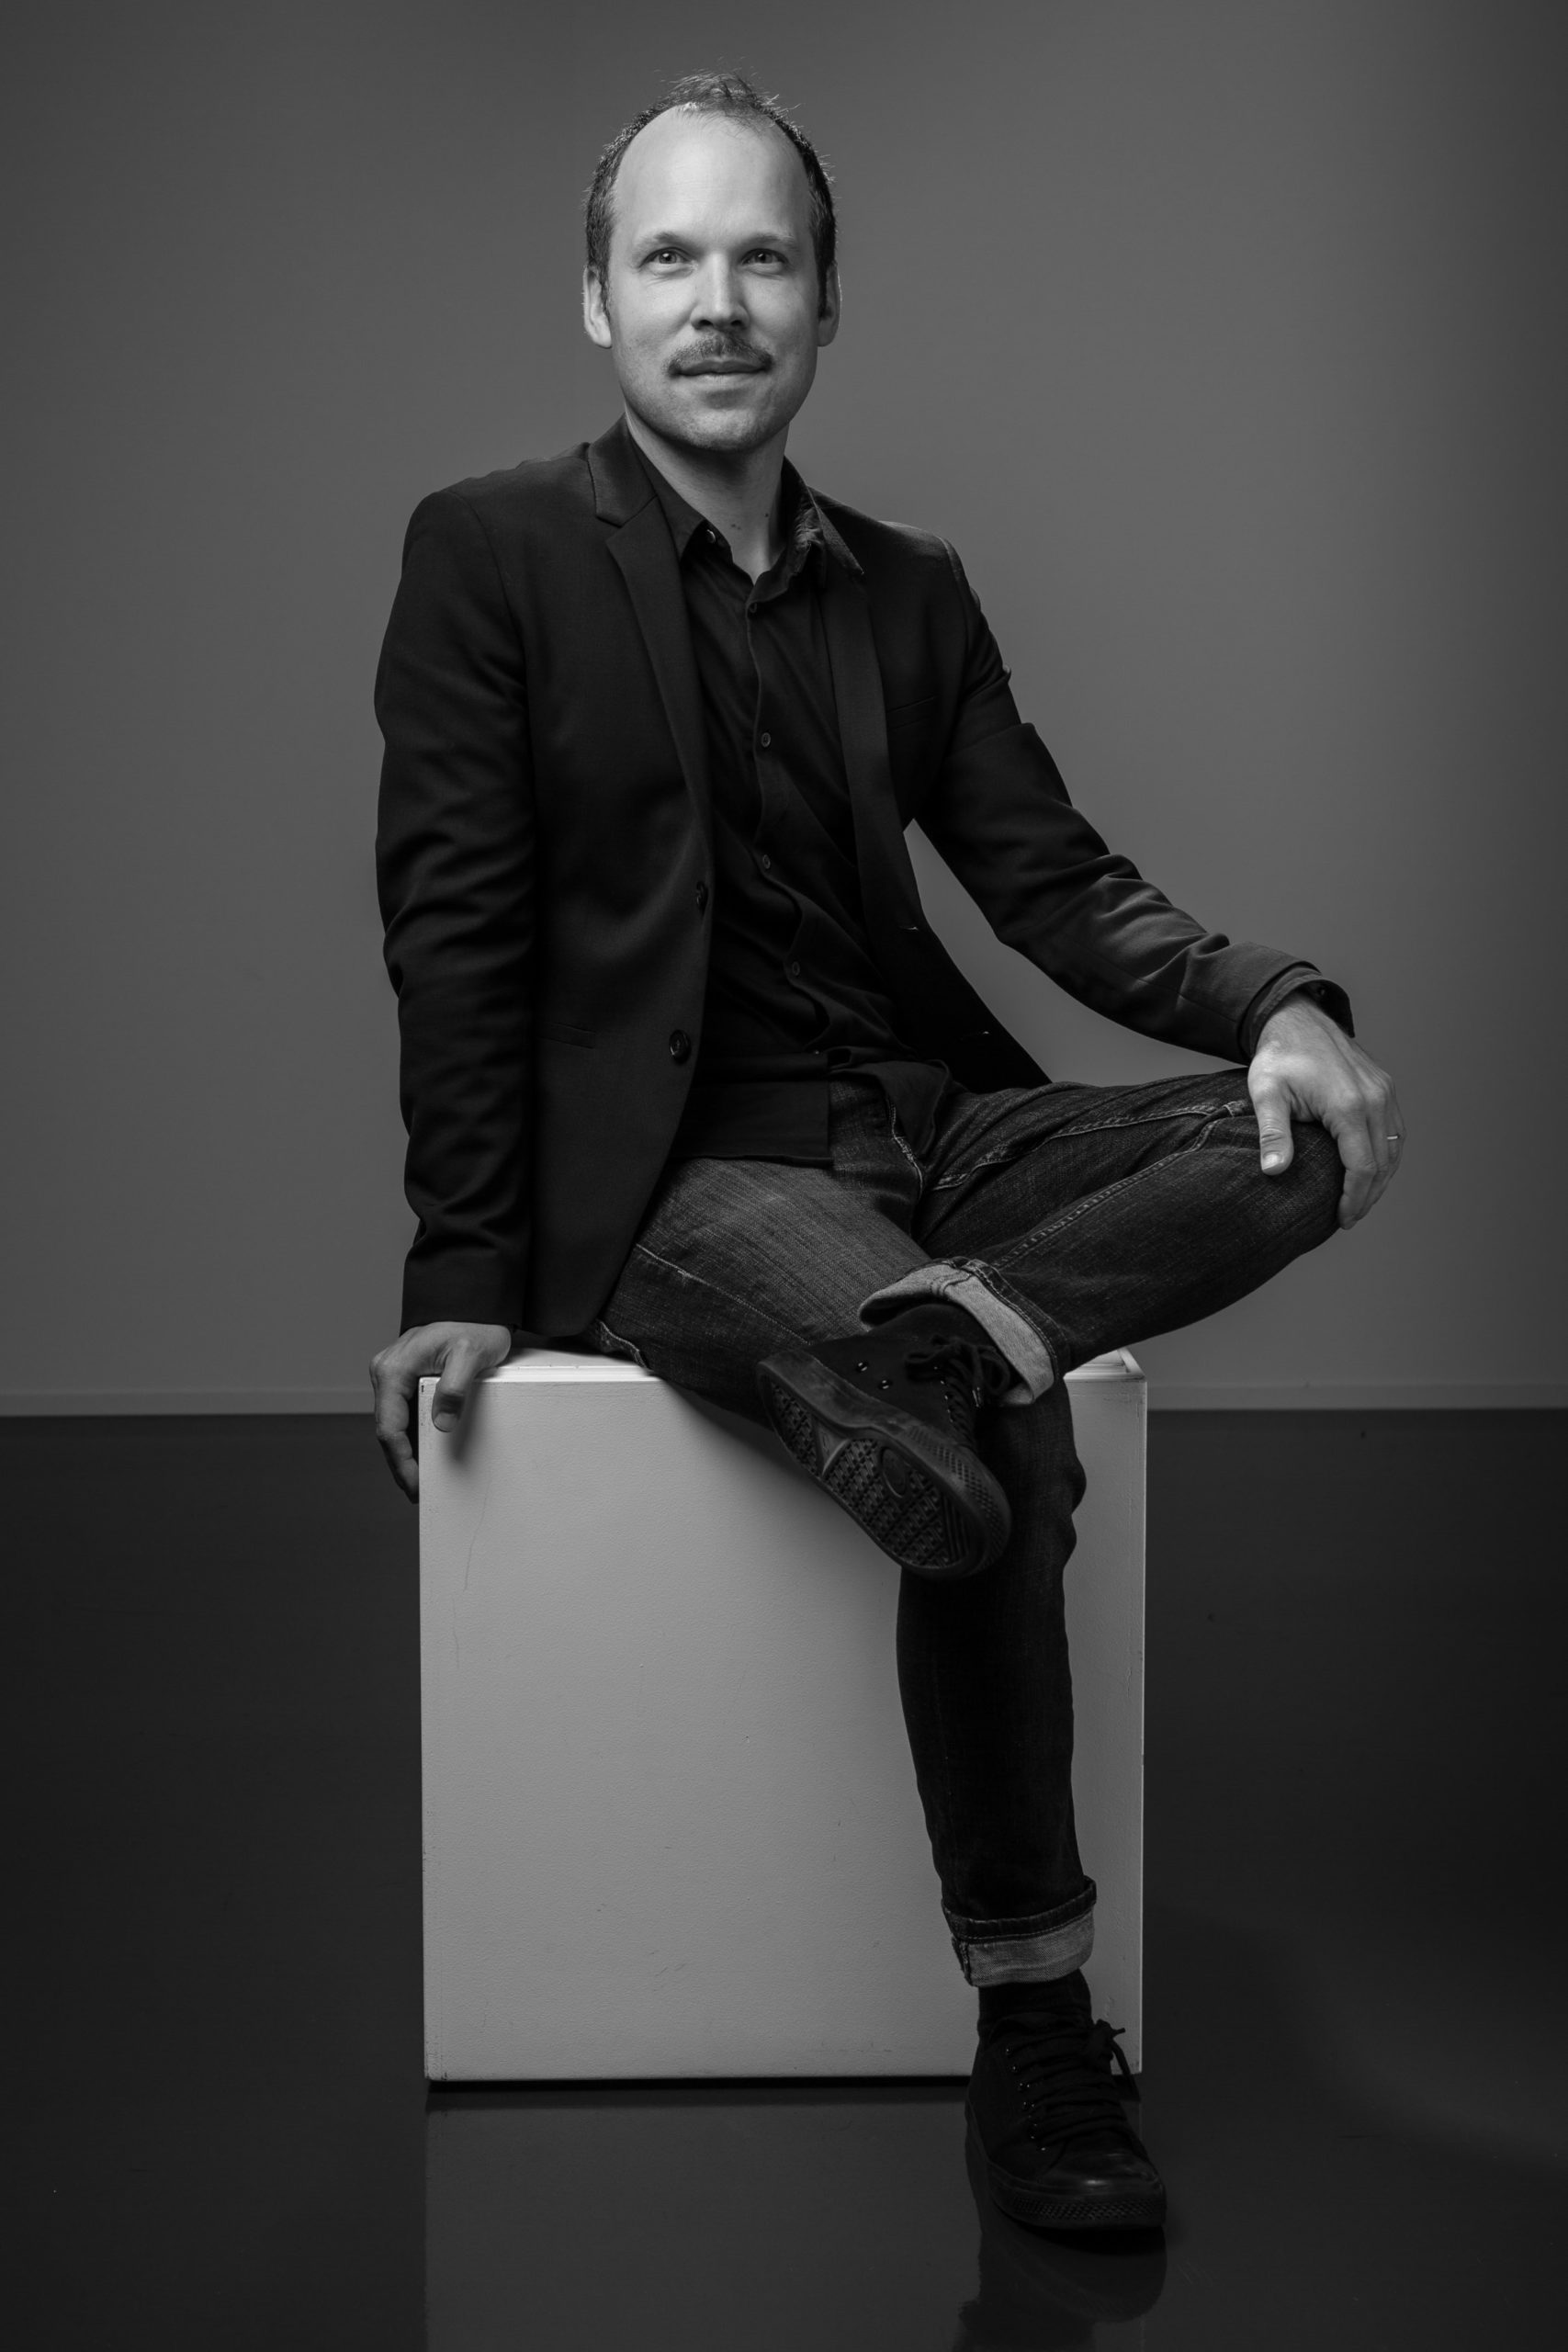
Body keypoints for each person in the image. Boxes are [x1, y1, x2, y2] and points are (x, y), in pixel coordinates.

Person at [370, 73, 1403, 2233]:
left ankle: (948, 1331)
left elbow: (1056, 885)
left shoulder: (908, 591)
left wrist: (1273, 1001)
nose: (716, 300)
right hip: (691, 1181)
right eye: (668, 256)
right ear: (595, 299)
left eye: (762, 257)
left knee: (1300, 1139)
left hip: (932, 1133)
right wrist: (457, 1268)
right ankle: (1035, 2025)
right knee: (998, 1454)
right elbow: (453, 934)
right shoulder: (491, 553)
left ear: (824, 304)